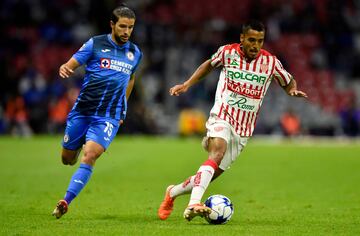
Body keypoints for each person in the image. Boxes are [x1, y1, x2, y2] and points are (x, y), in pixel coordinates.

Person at [158, 20, 307, 221]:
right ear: (242, 38)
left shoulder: (271, 62)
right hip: (222, 115)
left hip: (244, 129)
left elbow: (288, 81)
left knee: (209, 174)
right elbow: (208, 66)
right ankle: (194, 203)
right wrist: (187, 84)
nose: (255, 45)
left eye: (260, 41)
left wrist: (292, 91)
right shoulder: (227, 53)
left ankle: (172, 192)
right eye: (252, 40)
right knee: (217, 150)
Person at [52, 5, 142, 219]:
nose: (126, 32)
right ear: (112, 24)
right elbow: (71, 63)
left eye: (130, 27)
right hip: (83, 111)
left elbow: (131, 78)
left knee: (91, 154)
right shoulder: (95, 44)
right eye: (122, 26)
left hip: (108, 116)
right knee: (67, 158)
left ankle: (66, 200)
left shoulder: (134, 52)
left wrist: (123, 106)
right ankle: (79, 142)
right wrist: (66, 67)